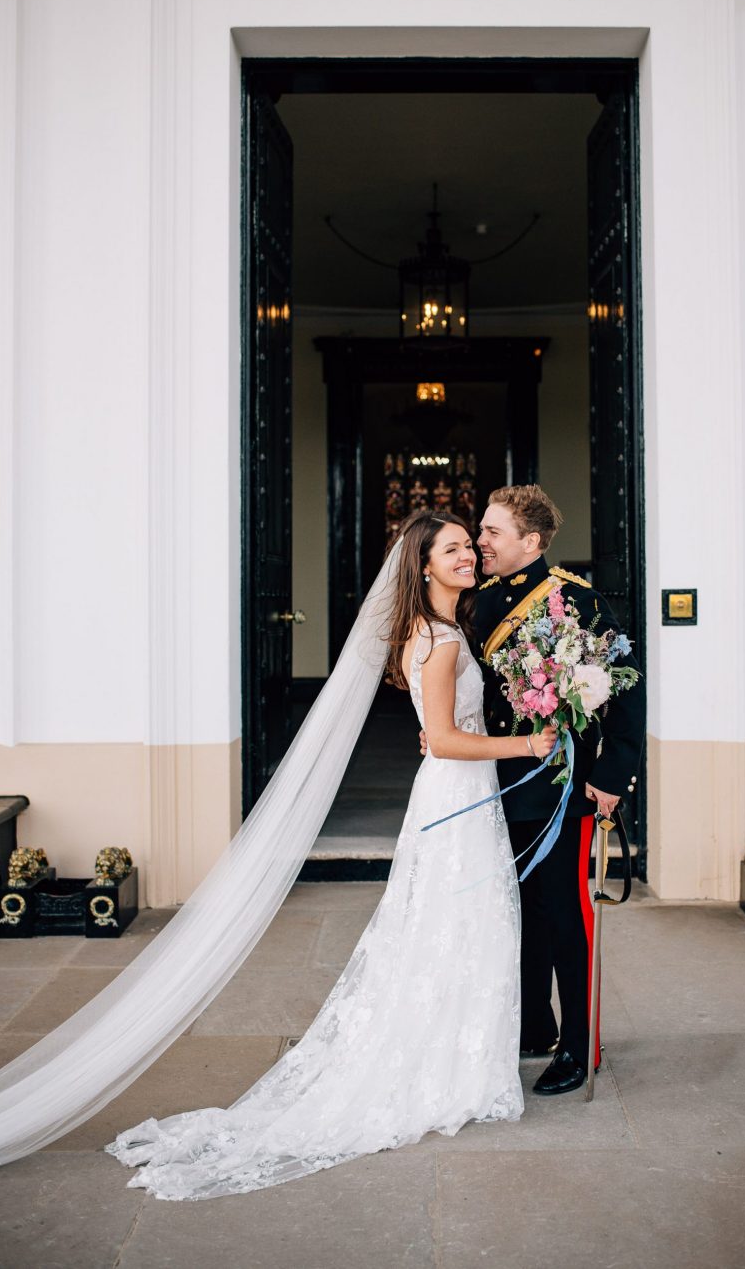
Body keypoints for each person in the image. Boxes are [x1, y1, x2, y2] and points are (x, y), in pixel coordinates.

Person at [103, 509, 557, 1201]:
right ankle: (447, 1068)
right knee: (456, 925)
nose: (469, 555)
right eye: (455, 548)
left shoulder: (445, 629)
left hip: (461, 796)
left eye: (471, 545)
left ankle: (457, 1059)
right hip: (455, 793)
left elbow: (441, 731)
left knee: (454, 928)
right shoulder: (435, 639)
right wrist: (527, 745)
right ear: (424, 564)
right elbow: (441, 739)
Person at [429, 486, 645, 1095]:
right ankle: (534, 1024)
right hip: (496, 778)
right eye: (482, 531)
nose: (481, 541)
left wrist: (609, 776)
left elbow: (623, 694)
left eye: (494, 532)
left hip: (558, 786)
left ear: (532, 542)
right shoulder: (477, 602)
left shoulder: (573, 601)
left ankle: (580, 1046)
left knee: (566, 915)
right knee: (519, 910)